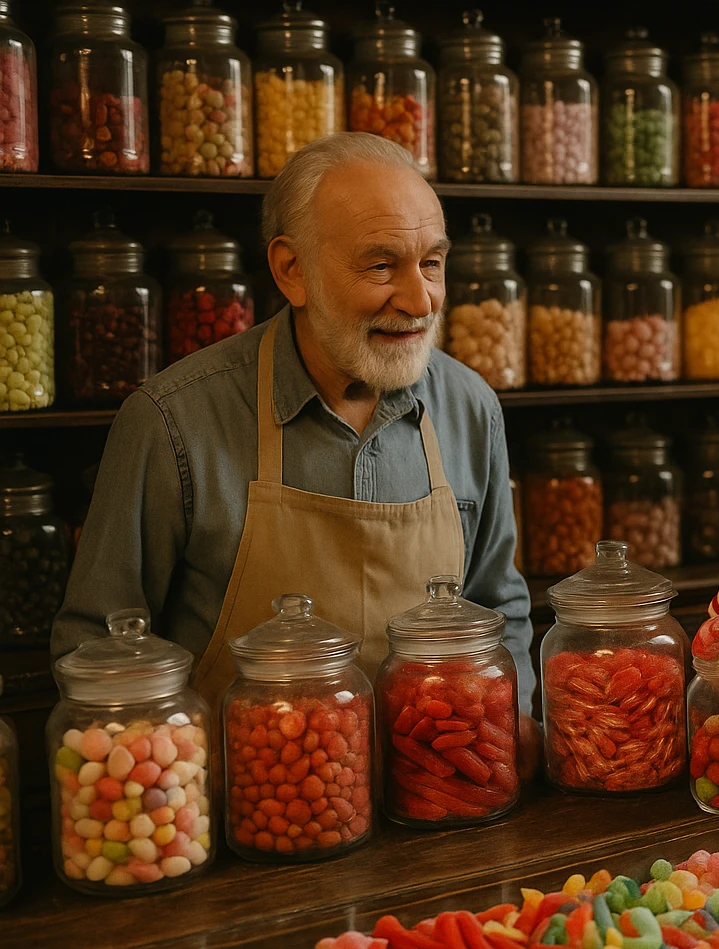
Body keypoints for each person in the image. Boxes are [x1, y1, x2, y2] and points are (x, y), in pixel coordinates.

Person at [52, 132, 540, 778]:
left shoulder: (471, 408)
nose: (420, 300)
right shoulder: (172, 421)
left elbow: (498, 607)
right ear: (292, 271)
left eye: (431, 263)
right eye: (381, 266)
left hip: (439, 794)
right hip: (251, 808)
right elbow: (99, 644)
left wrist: (508, 733)